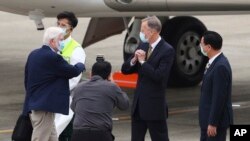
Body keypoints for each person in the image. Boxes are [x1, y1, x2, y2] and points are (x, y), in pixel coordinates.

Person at [23, 26, 85, 141]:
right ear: (52, 41)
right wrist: (81, 65)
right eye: (60, 40)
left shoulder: (34, 54)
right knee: (40, 138)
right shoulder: (52, 57)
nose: (62, 43)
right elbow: (72, 71)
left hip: (37, 104)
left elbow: (27, 79)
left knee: (52, 137)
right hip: (44, 107)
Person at [121, 16, 175, 141]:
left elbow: (159, 76)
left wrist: (143, 62)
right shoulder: (143, 45)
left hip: (154, 108)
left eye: (143, 30)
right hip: (138, 107)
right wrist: (134, 60)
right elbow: (125, 70)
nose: (141, 33)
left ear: (152, 31)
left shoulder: (167, 50)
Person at [71, 59, 129, 141]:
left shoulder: (79, 87)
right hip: (101, 134)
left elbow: (73, 108)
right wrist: (114, 83)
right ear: (109, 76)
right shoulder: (111, 87)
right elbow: (124, 105)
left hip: (78, 133)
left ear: (91, 73)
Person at [54, 11, 86, 141]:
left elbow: (74, 78)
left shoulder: (76, 49)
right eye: (58, 24)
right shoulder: (52, 44)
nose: (59, 27)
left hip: (65, 99)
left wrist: (57, 89)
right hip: (51, 97)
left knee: (64, 134)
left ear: (70, 29)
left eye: (63, 25)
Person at [199, 31, 233, 141]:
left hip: (214, 124)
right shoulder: (214, 62)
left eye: (202, 44)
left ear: (208, 47)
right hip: (207, 121)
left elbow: (219, 97)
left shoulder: (220, 66)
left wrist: (213, 123)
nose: (201, 47)